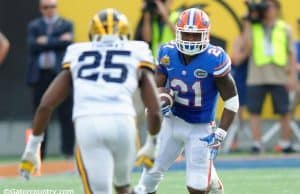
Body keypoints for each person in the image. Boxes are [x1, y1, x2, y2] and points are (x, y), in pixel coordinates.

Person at [19, 8, 161, 194]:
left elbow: (46, 104)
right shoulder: (137, 49)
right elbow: (154, 107)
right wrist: (152, 142)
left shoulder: (78, 51)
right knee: (123, 186)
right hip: (123, 122)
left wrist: (33, 146)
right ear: (124, 32)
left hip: (89, 122)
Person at [135, 8, 238, 194]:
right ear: (178, 32)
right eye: (186, 34)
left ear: (205, 35)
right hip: (172, 121)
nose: (190, 40)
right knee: (148, 176)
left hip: (201, 127)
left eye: (195, 35)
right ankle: (211, 177)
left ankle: (212, 183)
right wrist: (160, 102)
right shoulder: (167, 52)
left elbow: (231, 99)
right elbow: (156, 87)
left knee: (197, 187)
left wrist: (221, 132)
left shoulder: (214, 58)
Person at [243, 0, 297, 153]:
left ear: (277, 8)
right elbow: (247, 48)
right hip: (256, 75)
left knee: (284, 111)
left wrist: (292, 76)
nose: (266, 10)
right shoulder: (254, 26)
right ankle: (257, 143)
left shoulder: (284, 28)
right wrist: (248, 21)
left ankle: (285, 143)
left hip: (279, 76)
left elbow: (292, 53)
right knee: (254, 111)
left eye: (269, 6)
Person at [27, 0, 74, 159]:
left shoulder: (66, 24)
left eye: (52, 6)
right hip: (41, 76)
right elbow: (33, 46)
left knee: (66, 115)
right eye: (46, 7)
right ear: (41, 9)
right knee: (41, 113)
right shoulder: (34, 26)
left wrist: (46, 41)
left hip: (60, 76)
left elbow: (68, 43)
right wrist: (57, 40)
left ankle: (68, 153)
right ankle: (39, 154)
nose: (50, 10)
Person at [230, 17, 250, 150]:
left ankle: (253, 141)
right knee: (239, 110)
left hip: (255, 77)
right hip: (241, 76)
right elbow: (236, 60)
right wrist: (248, 49)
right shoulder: (240, 40)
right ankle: (235, 140)